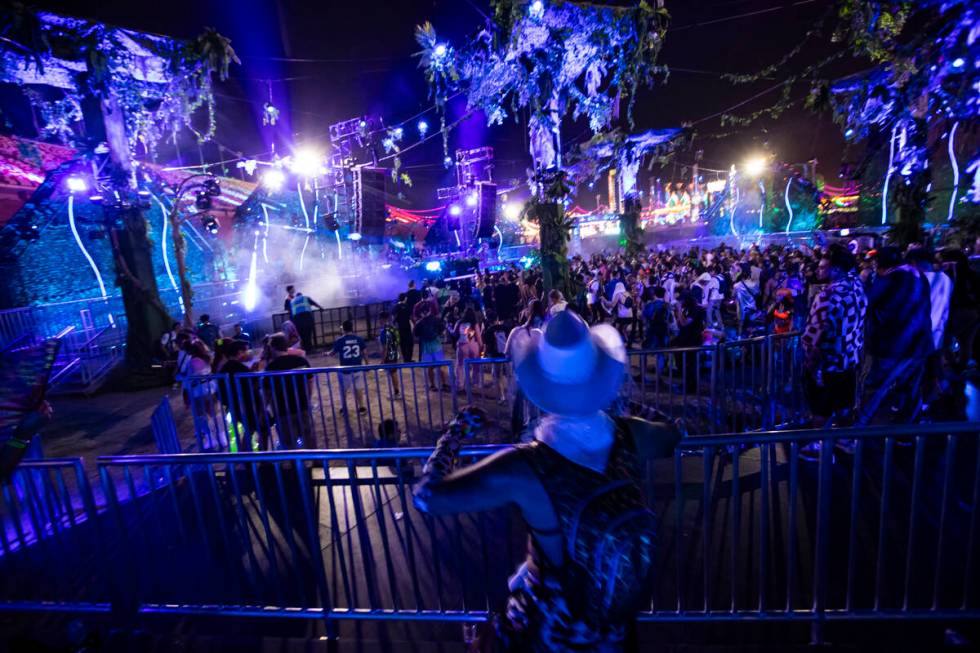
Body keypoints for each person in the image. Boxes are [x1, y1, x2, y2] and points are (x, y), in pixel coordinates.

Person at [413, 310, 680, 652]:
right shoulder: (629, 434)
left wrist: (454, 435)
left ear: (542, 383)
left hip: (549, 634)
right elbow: (674, 433)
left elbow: (429, 497)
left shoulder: (527, 465)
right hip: (610, 634)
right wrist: (623, 405)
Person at [861, 246, 933, 421]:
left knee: (874, 388)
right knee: (910, 389)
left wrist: (865, 281)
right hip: (918, 344)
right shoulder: (919, 276)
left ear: (880, 263)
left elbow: (867, 302)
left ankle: (856, 432)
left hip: (891, 345)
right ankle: (905, 435)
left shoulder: (890, 278)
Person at [801, 244, 867, 430]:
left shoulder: (827, 295)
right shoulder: (857, 287)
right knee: (844, 406)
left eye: (823, 267)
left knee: (820, 408)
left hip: (827, 362)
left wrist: (811, 364)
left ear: (836, 269)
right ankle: (844, 442)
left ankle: (816, 447)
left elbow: (814, 335)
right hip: (849, 359)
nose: (818, 270)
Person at [215, 339, 270, 451]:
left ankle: (247, 457)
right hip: (249, 405)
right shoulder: (239, 368)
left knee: (250, 430)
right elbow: (253, 384)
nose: (248, 353)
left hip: (236, 405)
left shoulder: (224, 369)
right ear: (239, 352)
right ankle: (260, 457)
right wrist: (257, 374)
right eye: (246, 350)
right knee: (260, 429)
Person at [505, 300, 546, 437]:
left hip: (519, 378)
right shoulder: (540, 334)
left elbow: (507, 354)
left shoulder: (515, 332)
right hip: (535, 380)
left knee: (518, 414)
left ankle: (518, 440)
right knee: (534, 417)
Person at [264, 333, 313, 449]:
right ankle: (317, 462)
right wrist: (308, 398)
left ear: (273, 348)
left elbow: (267, 391)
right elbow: (310, 381)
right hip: (302, 404)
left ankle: (296, 465)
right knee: (308, 436)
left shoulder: (271, 367)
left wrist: (265, 407)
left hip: (283, 410)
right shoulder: (301, 361)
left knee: (289, 441)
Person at [330, 320, 367, 415]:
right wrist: (367, 364)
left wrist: (326, 353)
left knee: (343, 389)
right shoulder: (359, 339)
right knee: (359, 388)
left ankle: (344, 408)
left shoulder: (340, 340)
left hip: (345, 370)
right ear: (352, 328)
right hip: (357, 368)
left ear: (343, 329)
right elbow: (365, 353)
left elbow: (333, 353)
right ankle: (361, 407)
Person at [413, 302, 451, 391]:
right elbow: (442, 329)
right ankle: (444, 384)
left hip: (426, 346)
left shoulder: (419, 323)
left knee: (430, 367)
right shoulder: (436, 319)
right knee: (441, 365)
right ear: (430, 310)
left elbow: (416, 334)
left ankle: (432, 385)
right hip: (436, 344)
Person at [482, 310, 510, 405]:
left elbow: (486, 346)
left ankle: (502, 396)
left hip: (495, 356)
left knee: (497, 376)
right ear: (497, 319)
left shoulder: (488, 331)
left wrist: (484, 355)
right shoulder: (506, 328)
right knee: (508, 375)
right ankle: (511, 394)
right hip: (507, 355)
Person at [286, 285, 322, 353]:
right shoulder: (305, 297)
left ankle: (304, 349)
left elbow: (290, 310)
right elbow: (315, 303)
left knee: (301, 335)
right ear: (301, 295)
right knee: (308, 334)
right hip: (307, 318)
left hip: (297, 320)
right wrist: (321, 308)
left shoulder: (292, 301)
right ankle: (309, 349)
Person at [454, 307, 483, 390]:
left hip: (462, 346)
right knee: (476, 365)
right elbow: (478, 336)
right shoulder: (474, 323)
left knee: (460, 365)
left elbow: (455, 334)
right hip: (473, 345)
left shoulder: (459, 322)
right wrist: (481, 346)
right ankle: (475, 383)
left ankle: (460, 384)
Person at [378, 310, 402, 398]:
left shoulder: (384, 331)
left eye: (380, 319)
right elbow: (398, 341)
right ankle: (396, 392)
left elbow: (385, 347)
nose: (379, 321)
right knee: (393, 373)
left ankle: (397, 392)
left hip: (389, 355)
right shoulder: (393, 328)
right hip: (395, 352)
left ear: (383, 319)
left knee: (393, 373)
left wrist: (382, 360)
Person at [394, 293, 415, 363]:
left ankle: (405, 359)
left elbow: (394, 318)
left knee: (402, 344)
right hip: (407, 327)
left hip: (400, 328)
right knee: (410, 343)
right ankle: (408, 359)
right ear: (405, 298)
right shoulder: (407, 306)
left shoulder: (396, 307)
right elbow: (410, 317)